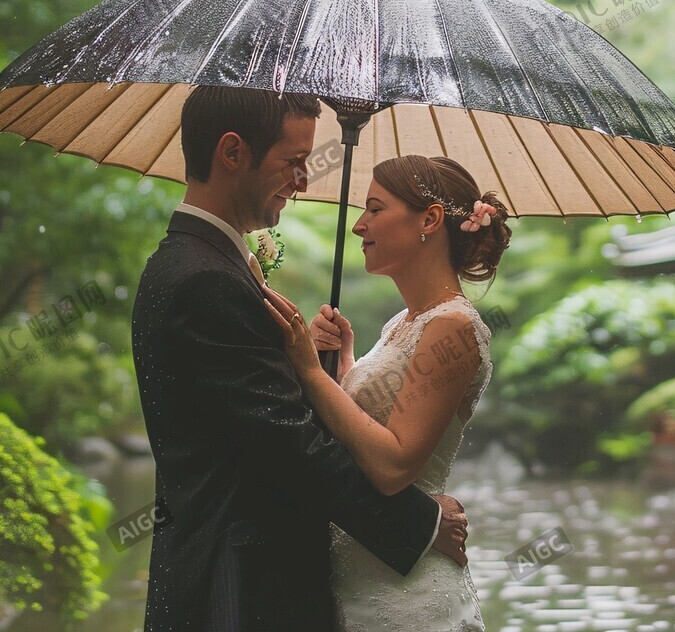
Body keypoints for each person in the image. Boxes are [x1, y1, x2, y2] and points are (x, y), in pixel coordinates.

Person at [132, 87, 469, 632]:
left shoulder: (205, 265)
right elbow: (288, 447)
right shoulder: (205, 280)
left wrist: (313, 371)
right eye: (293, 162)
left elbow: (249, 414)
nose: (304, 182)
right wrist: (422, 523)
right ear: (233, 152)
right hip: (240, 583)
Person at [263, 154, 512, 632]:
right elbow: (368, 427)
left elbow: (393, 465)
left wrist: (310, 371)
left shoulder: (453, 328)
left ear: (430, 220)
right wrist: (345, 362)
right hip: (362, 574)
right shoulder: (403, 323)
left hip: (406, 595)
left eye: (375, 209)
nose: (358, 225)